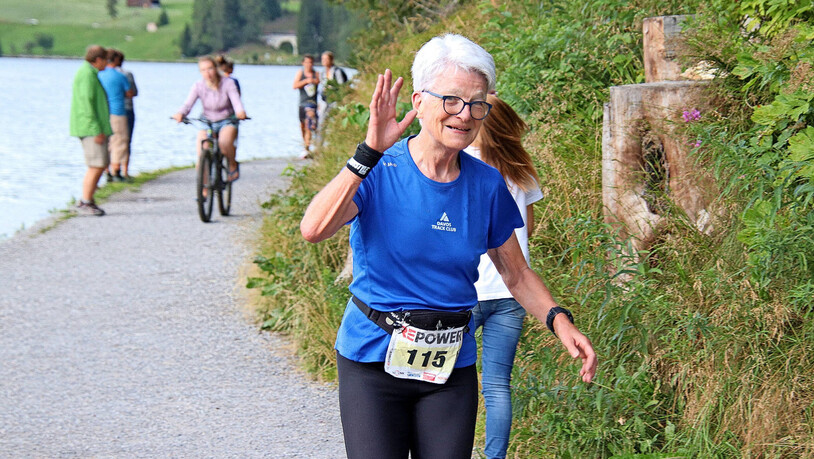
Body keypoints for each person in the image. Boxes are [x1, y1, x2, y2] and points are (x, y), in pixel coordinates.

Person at [299, 34, 597, 459]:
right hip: (372, 359)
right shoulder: (381, 169)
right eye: (452, 101)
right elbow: (314, 229)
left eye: (477, 104)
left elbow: (516, 272)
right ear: (419, 102)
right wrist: (367, 153)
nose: (465, 115)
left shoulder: (486, 184)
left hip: (449, 362)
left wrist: (560, 322)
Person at [464, 94, 543, 459]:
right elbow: (526, 234)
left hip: (467, 290)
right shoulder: (521, 169)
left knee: (448, 379)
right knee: (497, 386)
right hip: (513, 294)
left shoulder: (463, 166)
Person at [172, 56, 247, 182]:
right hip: (206, 121)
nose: (207, 73)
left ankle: (232, 164)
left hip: (226, 119)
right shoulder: (198, 86)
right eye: (203, 70)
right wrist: (180, 113)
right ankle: (204, 189)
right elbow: (188, 104)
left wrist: (240, 112)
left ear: (216, 69)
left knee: (224, 143)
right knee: (203, 151)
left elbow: (236, 101)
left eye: (210, 69)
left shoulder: (228, 83)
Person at [70, 45, 113, 216]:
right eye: (105, 60)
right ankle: (85, 201)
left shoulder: (89, 73)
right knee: (96, 165)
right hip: (90, 128)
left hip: (92, 126)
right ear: (98, 60)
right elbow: (86, 105)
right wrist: (97, 130)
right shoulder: (87, 74)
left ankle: (89, 198)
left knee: (100, 163)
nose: (106, 64)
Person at [98, 48, 133, 183]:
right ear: (116, 60)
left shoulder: (99, 75)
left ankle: (106, 171)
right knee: (119, 141)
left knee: (107, 143)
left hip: (103, 112)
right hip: (118, 111)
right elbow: (129, 93)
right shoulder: (120, 76)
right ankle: (117, 171)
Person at [113, 49, 138, 181]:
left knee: (112, 141)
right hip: (127, 109)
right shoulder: (127, 74)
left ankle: (111, 170)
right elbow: (134, 92)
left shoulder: (103, 74)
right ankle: (125, 171)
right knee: (126, 140)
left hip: (111, 111)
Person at [292, 54, 320, 157]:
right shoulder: (300, 73)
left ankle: (307, 148)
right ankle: (305, 145)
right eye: (307, 62)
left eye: (311, 62)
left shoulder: (316, 73)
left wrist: (313, 81)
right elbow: (294, 85)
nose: (309, 64)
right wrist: (305, 81)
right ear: (303, 63)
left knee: (309, 124)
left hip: (312, 104)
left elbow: (319, 82)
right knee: (302, 125)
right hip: (301, 103)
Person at [318, 50, 348, 120]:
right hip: (325, 99)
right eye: (323, 59)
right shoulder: (322, 73)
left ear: (331, 60)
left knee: (335, 118)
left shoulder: (337, 71)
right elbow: (322, 86)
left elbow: (341, 85)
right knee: (322, 118)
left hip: (336, 99)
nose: (324, 61)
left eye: (326, 59)